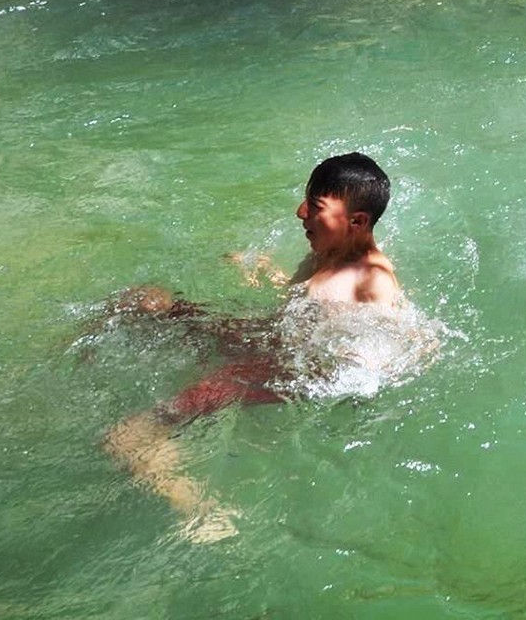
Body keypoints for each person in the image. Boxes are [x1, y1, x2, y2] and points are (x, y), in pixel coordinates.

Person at [103, 152, 406, 541]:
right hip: (274, 346)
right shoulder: (333, 254)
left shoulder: (358, 285)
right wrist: (274, 277)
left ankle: (206, 514)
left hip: (288, 369)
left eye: (315, 207)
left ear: (357, 221)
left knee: (127, 437)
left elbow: (363, 354)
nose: (301, 213)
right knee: (150, 301)